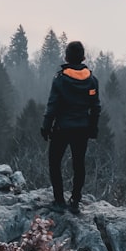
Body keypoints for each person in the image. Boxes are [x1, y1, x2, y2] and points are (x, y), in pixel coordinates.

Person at [40, 41, 101, 215]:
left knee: (54, 163)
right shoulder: (92, 80)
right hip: (82, 129)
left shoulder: (60, 79)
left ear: (66, 57)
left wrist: (46, 126)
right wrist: (93, 128)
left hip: (62, 128)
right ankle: (75, 201)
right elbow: (95, 107)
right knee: (79, 164)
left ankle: (59, 201)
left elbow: (52, 106)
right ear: (83, 57)